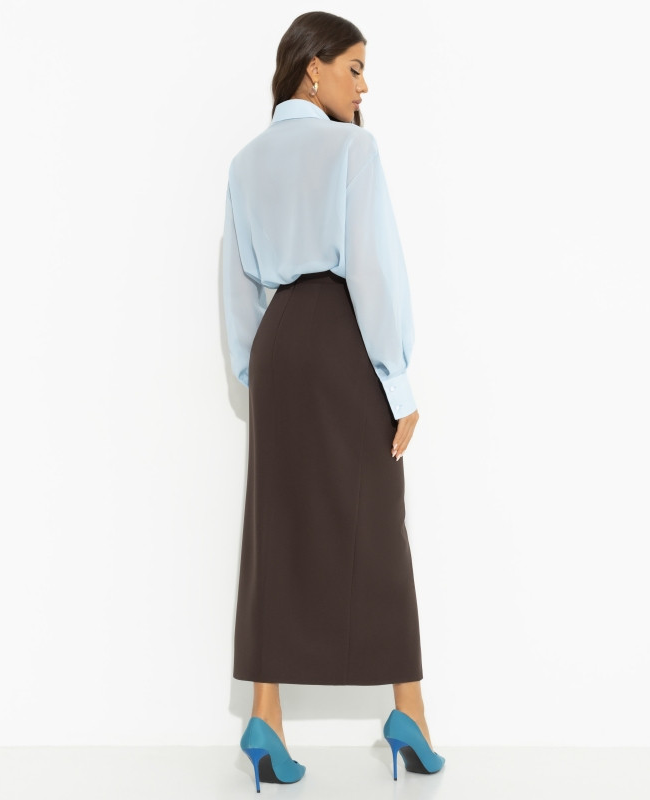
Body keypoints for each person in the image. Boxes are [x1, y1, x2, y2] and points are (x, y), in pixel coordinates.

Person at [221, 11, 445, 792]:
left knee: (275, 526)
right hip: (344, 338)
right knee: (377, 520)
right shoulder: (353, 150)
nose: (364, 84)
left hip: (278, 345)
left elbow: (237, 285)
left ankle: (264, 717)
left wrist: (258, 376)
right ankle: (409, 713)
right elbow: (373, 270)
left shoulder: (246, 162)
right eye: (354, 67)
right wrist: (398, 381)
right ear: (311, 69)